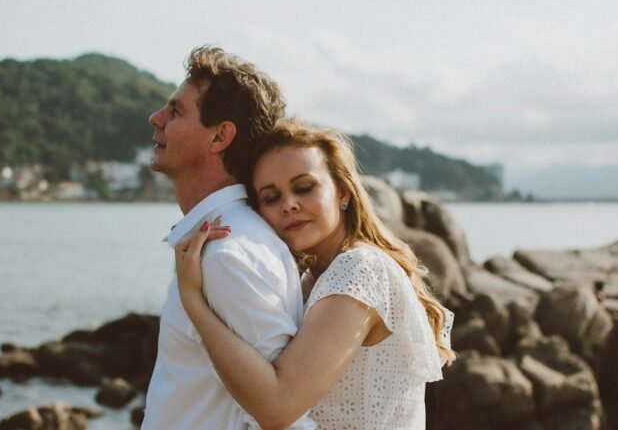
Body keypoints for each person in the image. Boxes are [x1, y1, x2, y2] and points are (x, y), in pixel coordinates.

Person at [176, 119, 455, 429]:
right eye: (271, 197)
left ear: (343, 193)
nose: (289, 205)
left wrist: (193, 303)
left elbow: (277, 407)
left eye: (304, 188)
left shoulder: (361, 269)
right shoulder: (313, 278)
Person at [141, 47, 315, 430]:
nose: (156, 119)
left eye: (176, 112)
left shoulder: (226, 254)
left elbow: (285, 415)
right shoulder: (223, 242)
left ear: (220, 135)